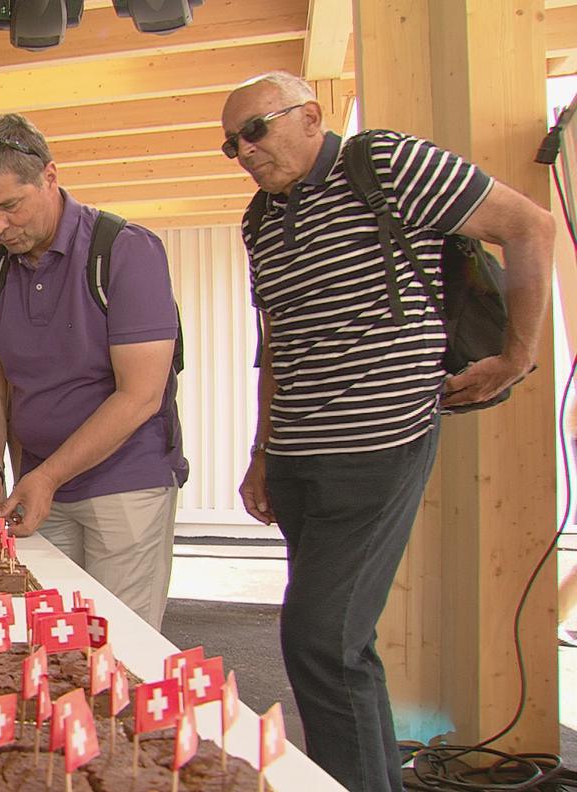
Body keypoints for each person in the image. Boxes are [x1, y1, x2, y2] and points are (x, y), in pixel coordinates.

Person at [223, 71, 554, 792]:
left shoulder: (386, 163)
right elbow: (276, 341)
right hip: (298, 454)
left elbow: (530, 225)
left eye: (256, 130)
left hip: (380, 439)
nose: (244, 151)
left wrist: (518, 355)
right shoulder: (259, 218)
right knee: (345, 644)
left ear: (311, 116)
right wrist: (261, 449)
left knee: (318, 639)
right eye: (231, 143)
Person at [0, 114, 187, 629]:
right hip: (38, 484)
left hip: (124, 483)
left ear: (50, 176)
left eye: (10, 205)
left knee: (115, 645)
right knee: (47, 639)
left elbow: (140, 397)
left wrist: (48, 476)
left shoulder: (126, 249)